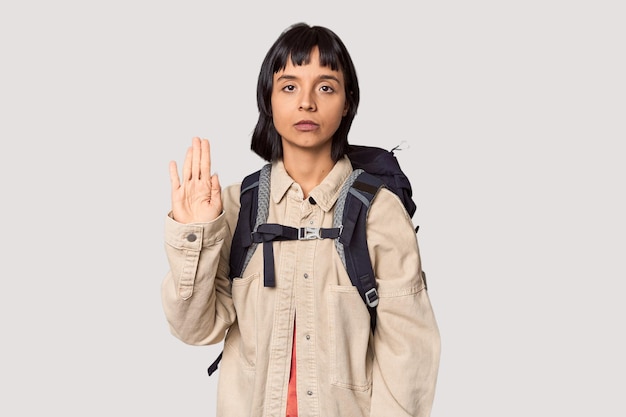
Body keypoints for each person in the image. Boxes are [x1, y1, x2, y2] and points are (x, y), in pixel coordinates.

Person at [161, 22, 441, 417]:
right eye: (289, 86)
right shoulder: (237, 207)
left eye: (325, 87)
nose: (307, 102)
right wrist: (196, 234)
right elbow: (195, 329)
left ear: (347, 102)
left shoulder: (378, 211)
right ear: (268, 99)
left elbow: (409, 353)